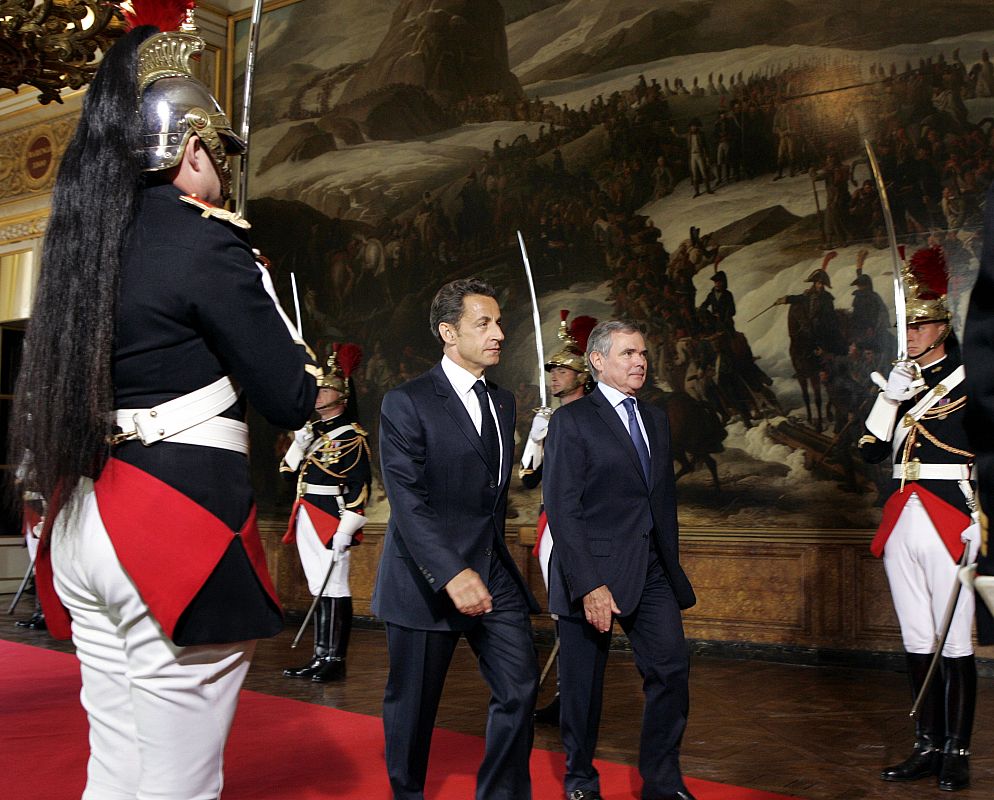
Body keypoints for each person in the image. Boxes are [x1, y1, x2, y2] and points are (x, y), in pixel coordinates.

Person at [10, 15, 318, 800]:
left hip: (86, 522)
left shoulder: (85, 245)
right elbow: (289, 395)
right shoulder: (206, 241)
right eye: (218, 153)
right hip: (170, 529)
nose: (222, 171)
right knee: (181, 784)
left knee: (114, 770)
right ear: (189, 151)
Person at [373, 278, 540, 800]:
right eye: (483, 324)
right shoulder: (406, 403)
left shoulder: (505, 403)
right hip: (426, 579)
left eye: (498, 322)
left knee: (519, 688)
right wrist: (451, 572)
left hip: (492, 570)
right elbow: (408, 501)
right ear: (448, 332)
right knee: (414, 708)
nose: (498, 333)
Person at [543, 320, 698, 800]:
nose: (639, 362)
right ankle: (580, 779)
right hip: (591, 573)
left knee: (671, 670)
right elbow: (562, 508)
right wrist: (588, 583)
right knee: (583, 687)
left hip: (651, 570)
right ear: (598, 360)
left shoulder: (653, 419)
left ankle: (662, 782)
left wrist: (669, 566)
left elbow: (661, 500)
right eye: (628, 353)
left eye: (643, 354)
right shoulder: (571, 420)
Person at [859, 244, 977, 792]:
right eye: (906, 326)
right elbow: (868, 452)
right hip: (903, 515)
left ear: (941, 326)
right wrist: (890, 402)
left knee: (955, 641)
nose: (909, 335)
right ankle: (926, 746)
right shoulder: (901, 383)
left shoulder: (969, 378)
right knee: (915, 637)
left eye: (919, 325)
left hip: (953, 512)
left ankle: (957, 749)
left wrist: (985, 515)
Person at [520, 310, 597, 726]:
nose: (552, 375)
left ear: (581, 374)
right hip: (551, 524)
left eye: (561, 368)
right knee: (561, 614)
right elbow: (528, 480)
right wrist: (536, 440)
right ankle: (567, 695)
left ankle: (578, 695)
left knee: (581, 613)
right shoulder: (550, 419)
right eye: (550, 369)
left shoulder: (593, 417)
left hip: (584, 527)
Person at [281, 344, 371, 682]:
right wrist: (298, 444)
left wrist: (347, 528)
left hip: (331, 516)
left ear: (341, 395)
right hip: (306, 512)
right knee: (318, 584)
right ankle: (320, 656)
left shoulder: (352, 437)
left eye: (325, 389)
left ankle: (336, 658)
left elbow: (359, 485)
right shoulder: (313, 434)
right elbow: (288, 474)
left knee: (334, 585)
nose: (318, 395)